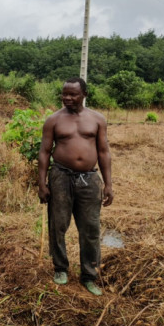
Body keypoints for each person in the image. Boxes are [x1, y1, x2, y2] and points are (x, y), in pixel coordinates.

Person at [38, 77, 113, 296]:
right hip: (60, 176)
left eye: (73, 94)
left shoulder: (97, 119)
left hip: (89, 179)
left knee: (90, 228)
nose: (68, 98)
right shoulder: (54, 120)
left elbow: (104, 152)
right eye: (64, 94)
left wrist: (108, 184)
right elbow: (44, 152)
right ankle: (61, 268)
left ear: (84, 95)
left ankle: (89, 276)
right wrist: (41, 183)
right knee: (58, 224)